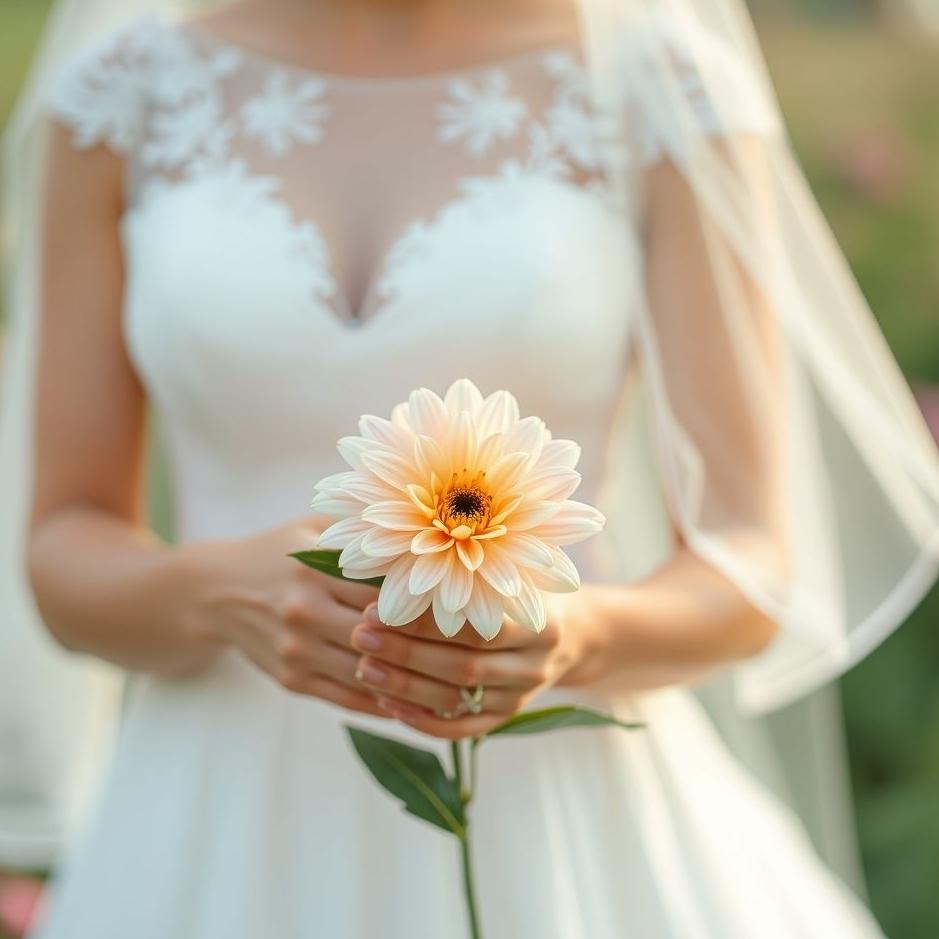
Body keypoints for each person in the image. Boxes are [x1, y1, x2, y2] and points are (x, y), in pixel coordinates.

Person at [3, 0, 939, 936]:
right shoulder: (124, 91)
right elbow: (61, 541)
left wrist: (571, 637)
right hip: (207, 824)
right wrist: (212, 592)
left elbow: (751, 563)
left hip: (564, 829)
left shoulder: (655, 84)